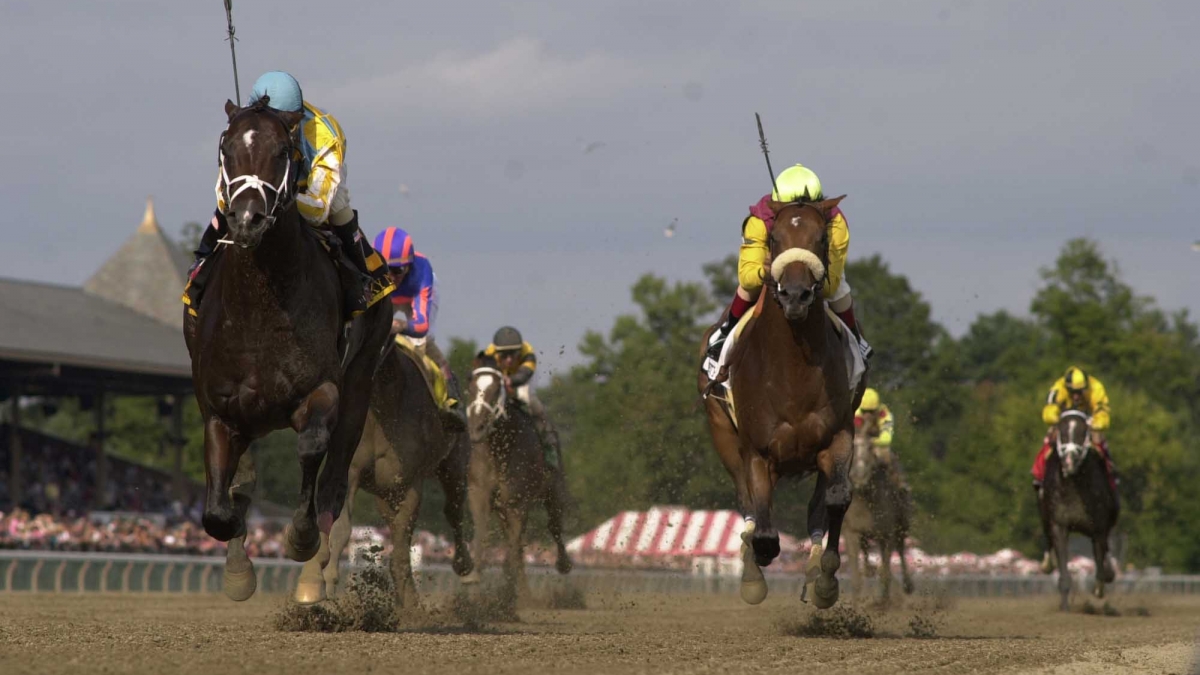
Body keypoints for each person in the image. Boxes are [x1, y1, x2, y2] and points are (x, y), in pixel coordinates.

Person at [183, 70, 394, 320]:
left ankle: (366, 279)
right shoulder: (245, 127)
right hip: (268, 186)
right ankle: (201, 266)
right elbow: (223, 194)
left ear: (295, 120)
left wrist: (278, 202)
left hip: (310, 186)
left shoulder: (325, 136)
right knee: (233, 209)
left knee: (339, 210)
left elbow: (318, 209)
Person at [705, 163, 871, 363]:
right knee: (749, 287)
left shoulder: (835, 223)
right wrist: (763, 272)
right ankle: (724, 335)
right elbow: (747, 276)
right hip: (773, 267)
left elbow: (829, 287)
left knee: (839, 288)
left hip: (816, 272)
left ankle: (855, 339)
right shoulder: (758, 221)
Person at [373, 227, 464, 429]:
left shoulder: (421, 272)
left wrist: (400, 325)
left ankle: (451, 400)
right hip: (389, 297)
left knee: (421, 344)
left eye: (397, 271)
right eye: (384, 269)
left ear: (408, 266)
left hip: (415, 297)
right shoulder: (371, 270)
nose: (390, 277)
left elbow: (421, 325)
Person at [483, 327, 561, 466]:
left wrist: (510, 381)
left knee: (533, 403)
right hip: (499, 381)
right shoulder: (489, 353)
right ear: (496, 352)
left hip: (521, 381)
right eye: (504, 355)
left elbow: (525, 374)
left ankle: (548, 444)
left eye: (513, 354)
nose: (508, 359)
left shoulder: (528, 353)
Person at [1031, 366, 1117, 492]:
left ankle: (1110, 473)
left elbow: (1102, 410)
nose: (1076, 396)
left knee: (1099, 440)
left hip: (1088, 419)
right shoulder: (1058, 387)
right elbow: (1049, 409)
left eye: (1080, 392)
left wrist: (1098, 423)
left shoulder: (1096, 387)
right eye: (1072, 392)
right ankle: (1039, 475)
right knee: (1051, 437)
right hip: (1064, 418)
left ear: (1086, 388)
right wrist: (1054, 419)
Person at [855, 388, 909, 493]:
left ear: (877, 408)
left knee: (887, 454)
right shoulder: (856, 413)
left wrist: (873, 442)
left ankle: (900, 481)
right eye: (864, 411)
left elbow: (887, 437)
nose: (867, 415)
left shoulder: (885, 415)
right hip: (859, 442)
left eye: (871, 411)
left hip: (877, 443)